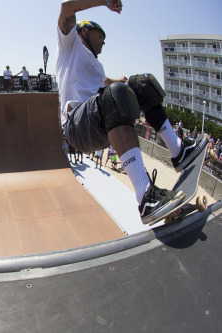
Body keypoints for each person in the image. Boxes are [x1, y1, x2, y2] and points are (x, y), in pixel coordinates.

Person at [56, 0, 207, 224]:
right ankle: (145, 197)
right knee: (115, 94)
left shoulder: (97, 66)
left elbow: (105, 81)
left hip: (96, 124)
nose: (104, 42)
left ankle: (177, 151)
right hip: (76, 125)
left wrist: (124, 82)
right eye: (101, 36)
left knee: (142, 83)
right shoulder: (69, 44)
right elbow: (67, 7)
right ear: (85, 31)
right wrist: (104, 2)